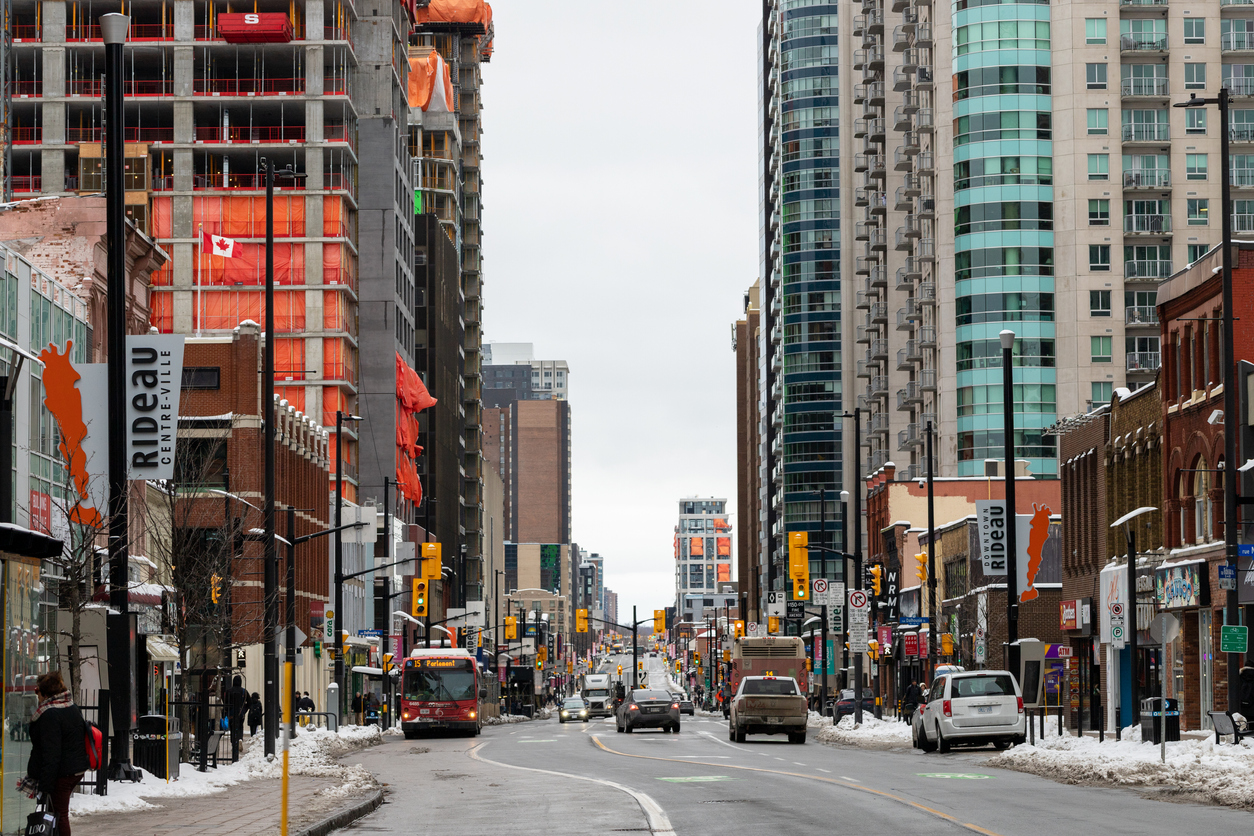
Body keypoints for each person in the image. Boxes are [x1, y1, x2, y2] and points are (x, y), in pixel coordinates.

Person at [21, 672, 89, 836]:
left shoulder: (49, 714)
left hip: (62, 773)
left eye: (37, 691)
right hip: (75, 768)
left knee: (59, 815)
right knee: (55, 813)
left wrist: (45, 785)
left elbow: (51, 753)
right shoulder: (70, 706)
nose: (36, 695)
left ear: (44, 693)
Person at [224, 675, 249, 753]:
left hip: (231, 714)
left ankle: (234, 744)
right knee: (240, 727)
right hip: (240, 714)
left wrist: (227, 711)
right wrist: (244, 710)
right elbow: (249, 702)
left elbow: (226, 703)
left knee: (232, 729)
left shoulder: (229, 691)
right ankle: (240, 739)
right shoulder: (244, 691)